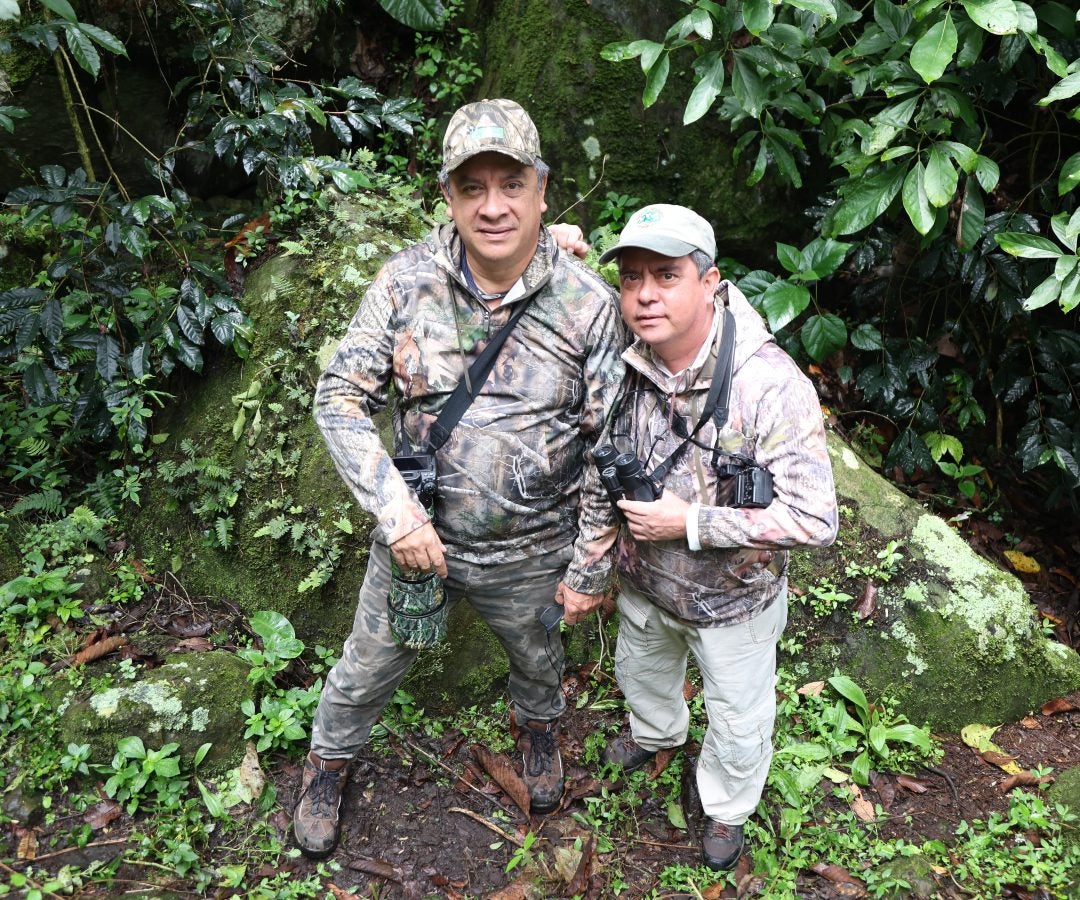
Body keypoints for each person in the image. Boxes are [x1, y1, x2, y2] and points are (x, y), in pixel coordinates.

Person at [293, 99, 625, 858]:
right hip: (419, 544)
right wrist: (396, 514)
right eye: (471, 187)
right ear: (447, 197)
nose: (493, 205)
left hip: (536, 552)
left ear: (543, 188)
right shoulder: (406, 283)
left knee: (540, 662)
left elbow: (612, 440)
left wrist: (588, 566)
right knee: (361, 672)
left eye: (510, 183)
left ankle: (539, 736)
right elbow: (339, 396)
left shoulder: (588, 305)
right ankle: (327, 765)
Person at [595, 204, 838, 870]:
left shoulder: (769, 385)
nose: (644, 294)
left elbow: (816, 519)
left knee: (737, 721)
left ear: (710, 283)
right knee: (641, 675)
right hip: (646, 585)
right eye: (632, 278)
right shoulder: (624, 363)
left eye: (666, 275)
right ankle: (655, 734)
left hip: (734, 605)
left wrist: (695, 523)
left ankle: (727, 808)